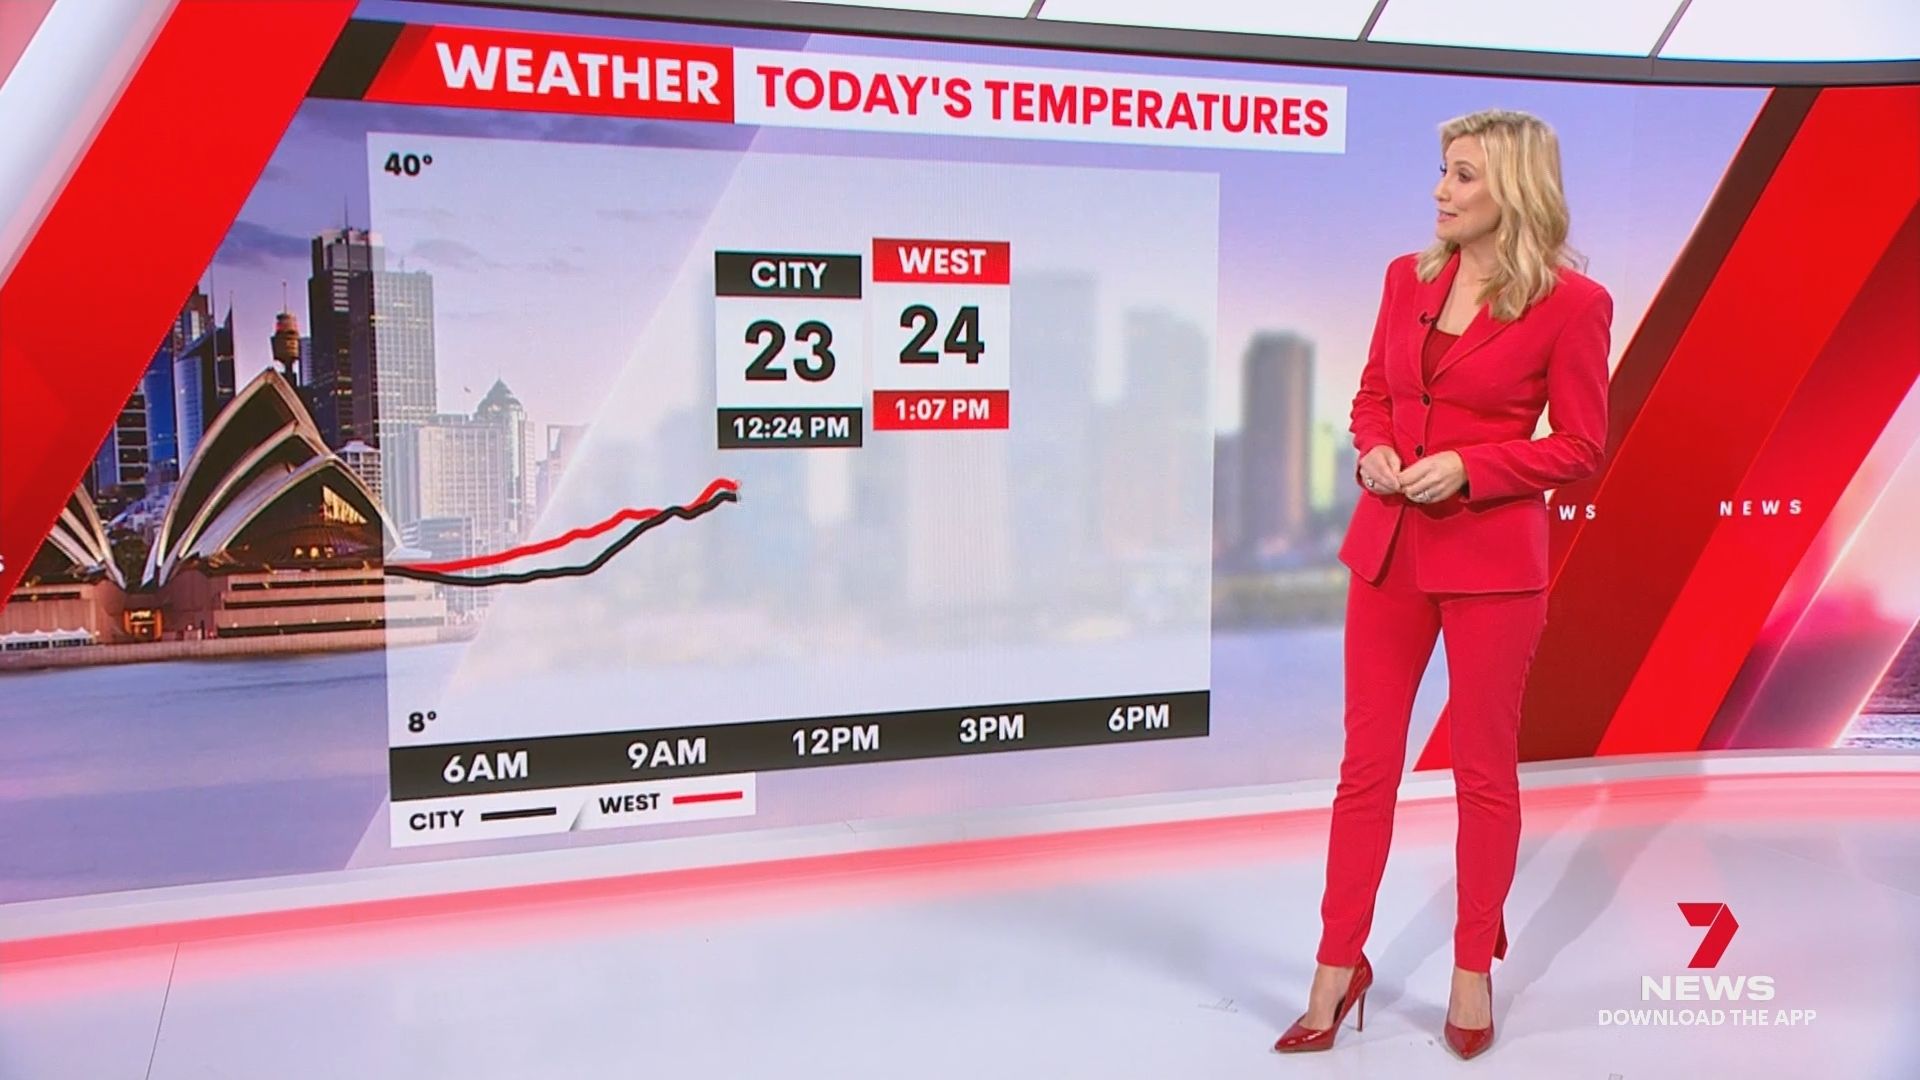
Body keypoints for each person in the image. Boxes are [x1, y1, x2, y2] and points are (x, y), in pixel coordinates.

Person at [1272, 108, 1612, 1060]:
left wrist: (1472, 467)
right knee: (1366, 768)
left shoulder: (1574, 304)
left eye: (1463, 175)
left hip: (1492, 564)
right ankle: (1336, 966)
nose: (1440, 191)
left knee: (1481, 772)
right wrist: (1375, 450)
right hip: (1388, 552)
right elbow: (1373, 395)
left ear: (1514, 188)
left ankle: (1471, 968)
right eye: (1442, 170)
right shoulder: (1405, 278)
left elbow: (1580, 445)